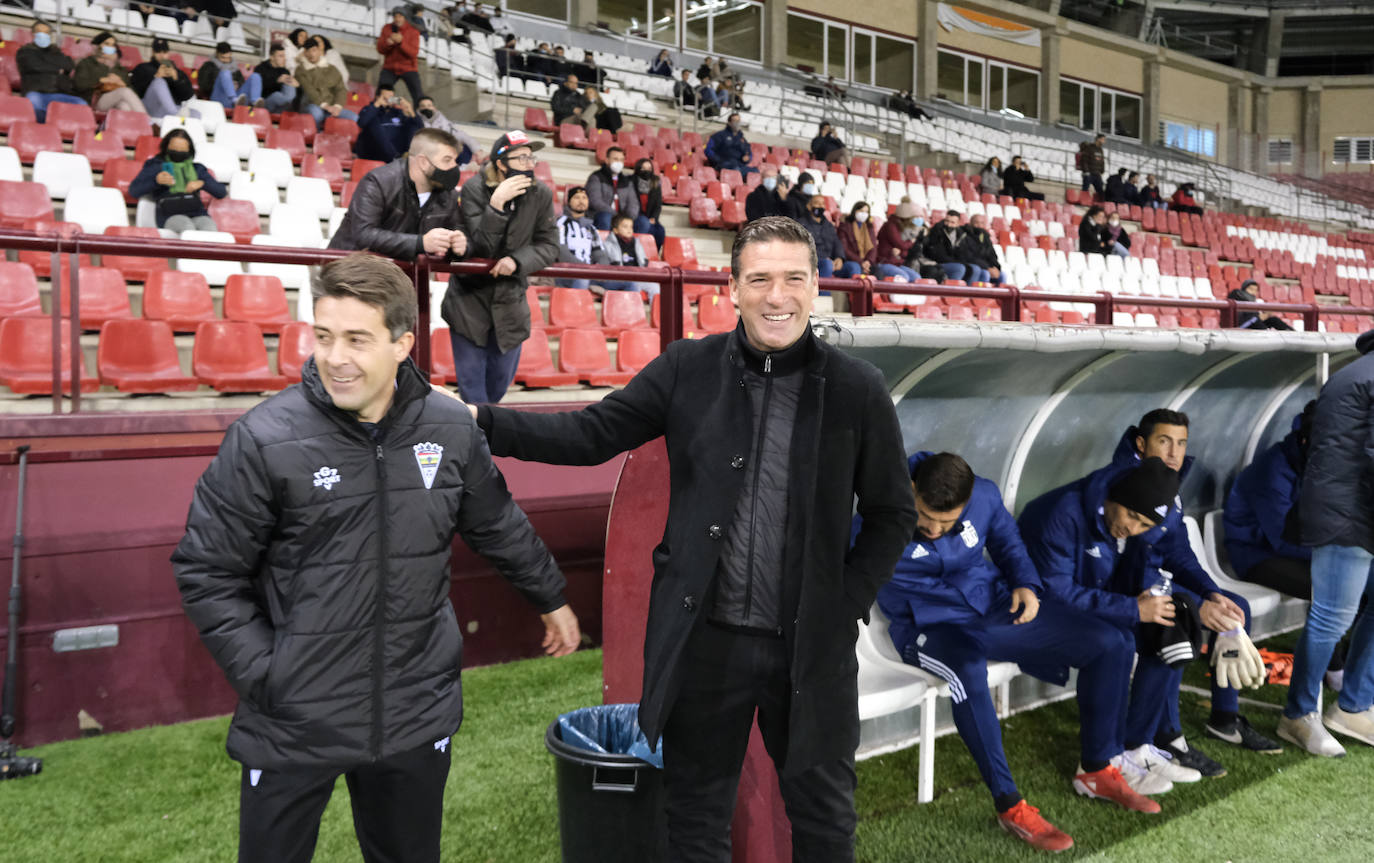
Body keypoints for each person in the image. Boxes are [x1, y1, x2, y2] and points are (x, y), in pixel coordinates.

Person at [445, 215, 916, 861]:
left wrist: (843, 603)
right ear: (733, 287)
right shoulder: (687, 368)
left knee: (825, 821)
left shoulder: (858, 388)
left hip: (811, 648)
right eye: (760, 279)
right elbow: (590, 435)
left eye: (793, 279)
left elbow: (894, 513)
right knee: (694, 820)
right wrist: (480, 419)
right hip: (706, 643)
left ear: (816, 287)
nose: (777, 295)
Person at [172, 251, 580, 863]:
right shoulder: (263, 438)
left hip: (415, 710)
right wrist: (268, 674)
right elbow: (207, 570)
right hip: (293, 717)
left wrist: (550, 597)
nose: (336, 358)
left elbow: (497, 523)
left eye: (358, 340)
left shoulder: (449, 427)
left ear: (402, 344)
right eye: (325, 336)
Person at [871, 452, 1148, 849]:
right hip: (928, 624)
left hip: (990, 607)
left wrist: (1025, 584)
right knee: (967, 668)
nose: (932, 529)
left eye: (946, 523)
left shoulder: (983, 494)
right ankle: (1010, 805)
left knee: (1111, 641)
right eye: (924, 516)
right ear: (912, 490)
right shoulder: (877, 512)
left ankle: (1098, 768)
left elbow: (1007, 540)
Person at [1084, 411, 1280, 778]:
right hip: (1123, 587)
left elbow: (1177, 551)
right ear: (1142, 445)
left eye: (1181, 442)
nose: (1174, 451)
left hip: (1155, 578)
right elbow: (1131, 563)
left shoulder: (1167, 481)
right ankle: (1168, 737)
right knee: (1179, 620)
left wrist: (1210, 591)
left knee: (1233, 608)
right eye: (1164, 441)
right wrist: (1194, 602)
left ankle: (1225, 717)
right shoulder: (1127, 482)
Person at [1017, 457, 1192, 802]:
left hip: (1092, 605)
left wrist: (1154, 596)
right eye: (1131, 517)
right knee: (1118, 641)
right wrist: (1131, 608)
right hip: (1042, 613)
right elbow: (1055, 593)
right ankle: (1100, 762)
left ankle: (1134, 747)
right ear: (1114, 498)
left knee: (1171, 625)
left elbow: (1145, 565)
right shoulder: (1062, 514)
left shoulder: (1132, 516)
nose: (1134, 528)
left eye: (1144, 524)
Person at [1277, 330, 1374, 757]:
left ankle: (1354, 706)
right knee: (1332, 617)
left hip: (1357, 506)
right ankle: (1298, 714)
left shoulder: (1356, 372)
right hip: (1346, 513)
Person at [444, 130, 557, 405]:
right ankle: (477, 444)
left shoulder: (541, 193)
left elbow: (549, 245)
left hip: (511, 301)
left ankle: (479, 431)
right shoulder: (474, 189)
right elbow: (480, 248)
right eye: (521, 159)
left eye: (532, 158)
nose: (530, 165)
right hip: (469, 302)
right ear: (501, 164)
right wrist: (496, 205)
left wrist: (517, 261)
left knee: (497, 388)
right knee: (473, 391)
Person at [328, 127, 468, 261]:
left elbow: (460, 231)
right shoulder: (378, 182)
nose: (454, 167)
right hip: (349, 272)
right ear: (423, 162)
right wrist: (420, 243)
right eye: (447, 160)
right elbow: (364, 234)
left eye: (455, 161)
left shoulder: (449, 195)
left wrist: (461, 244)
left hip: (399, 276)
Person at [1225, 404, 1317, 599]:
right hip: (1258, 555)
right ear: (1305, 440)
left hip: (1300, 549)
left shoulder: (1310, 462)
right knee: (1338, 588)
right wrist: (1336, 552)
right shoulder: (1271, 472)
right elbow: (1282, 539)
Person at [128, 128, 228, 235]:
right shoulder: (156, 166)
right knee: (187, 227)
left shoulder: (197, 169)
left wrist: (202, 183)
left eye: (182, 150)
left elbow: (221, 192)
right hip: (169, 215)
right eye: (175, 149)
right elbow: (134, 191)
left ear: (189, 151)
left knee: (210, 228)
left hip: (197, 213)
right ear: (166, 147)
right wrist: (156, 181)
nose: (178, 153)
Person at [16, 21, 86, 122]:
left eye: (46, 33)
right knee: (34, 103)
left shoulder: (56, 51)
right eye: (39, 32)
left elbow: (68, 65)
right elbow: (35, 66)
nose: (43, 35)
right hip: (37, 92)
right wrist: (58, 69)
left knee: (81, 104)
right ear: (33, 34)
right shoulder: (25, 51)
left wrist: (48, 66)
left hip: (59, 93)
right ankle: (42, 129)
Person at [296, 37, 358, 130]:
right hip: (311, 105)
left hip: (331, 107)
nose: (311, 54)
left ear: (319, 51)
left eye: (314, 50)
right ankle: (316, 137)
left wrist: (337, 106)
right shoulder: (301, 70)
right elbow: (310, 91)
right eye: (308, 51)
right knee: (317, 114)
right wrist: (326, 106)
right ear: (305, 53)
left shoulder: (332, 69)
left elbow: (341, 89)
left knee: (354, 117)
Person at [840, 202, 912, 281]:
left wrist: (868, 262)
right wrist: (861, 262)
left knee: (878, 272)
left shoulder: (869, 228)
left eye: (866, 212)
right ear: (854, 211)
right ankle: (855, 292)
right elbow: (845, 249)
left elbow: (873, 248)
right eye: (861, 211)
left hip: (868, 262)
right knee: (855, 268)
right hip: (850, 261)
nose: (863, 214)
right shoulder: (845, 226)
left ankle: (875, 293)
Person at [354, 84, 423, 163]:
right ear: (377, 97)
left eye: (391, 98)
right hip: (374, 152)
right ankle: (395, 158)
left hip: (398, 151)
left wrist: (410, 111)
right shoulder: (369, 109)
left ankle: (409, 156)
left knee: (412, 124)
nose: (388, 100)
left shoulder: (398, 112)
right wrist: (377, 104)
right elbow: (361, 123)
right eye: (384, 97)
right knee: (373, 121)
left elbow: (420, 128)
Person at [131, 38, 194, 120]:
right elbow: (135, 92)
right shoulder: (143, 68)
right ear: (153, 53)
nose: (161, 55)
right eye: (158, 52)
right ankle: (175, 115)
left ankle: (176, 116)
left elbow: (187, 96)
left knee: (196, 114)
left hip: (170, 110)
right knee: (159, 82)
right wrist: (155, 76)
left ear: (168, 53)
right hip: (150, 109)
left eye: (164, 52)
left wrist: (177, 79)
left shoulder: (177, 72)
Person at [584, 147, 641, 232]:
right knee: (605, 217)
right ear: (607, 160)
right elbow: (595, 201)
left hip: (622, 218)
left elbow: (634, 204)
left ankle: (633, 244)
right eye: (615, 159)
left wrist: (628, 218)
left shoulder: (627, 181)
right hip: (601, 215)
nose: (619, 162)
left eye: (621, 160)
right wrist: (616, 215)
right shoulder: (596, 177)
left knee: (643, 222)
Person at [800, 196, 857, 279]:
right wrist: (824, 259)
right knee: (827, 264)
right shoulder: (801, 224)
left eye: (823, 204)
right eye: (817, 203)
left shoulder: (828, 225)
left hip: (830, 263)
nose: (820, 206)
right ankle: (822, 292)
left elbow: (836, 242)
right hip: (812, 263)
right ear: (809, 206)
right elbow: (802, 247)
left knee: (854, 266)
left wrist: (839, 258)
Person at [416, 96, 484, 165]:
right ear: (418, 109)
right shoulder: (416, 123)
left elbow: (462, 135)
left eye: (429, 105)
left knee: (464, 147)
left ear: (434, 108)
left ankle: (465, 168)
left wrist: (477, 150)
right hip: (430, 153)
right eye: (423, 106)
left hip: (448, 151)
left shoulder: (445, 122)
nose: (426, 108)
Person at [377, 6, 424, 104]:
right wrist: (388, 44)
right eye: (395, 16)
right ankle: (383, 111)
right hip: (390, 68)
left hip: (409, 68)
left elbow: (413, 53)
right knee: (380, 94)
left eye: (400, 16)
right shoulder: (387, 28)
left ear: (405, 17)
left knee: (419, 97)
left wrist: (401, 42)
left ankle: (417, 115)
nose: (397, 19)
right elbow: (380, 49)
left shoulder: (413, 31)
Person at [198, 41, 263, 109]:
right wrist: (225, 85)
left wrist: (236, 85)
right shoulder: (208, 66)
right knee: (225, 73)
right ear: (217, 54)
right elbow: (203, 86)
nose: (226, 60)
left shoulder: (235, 67)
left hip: (238, 98)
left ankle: (255, 102)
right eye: (223, 57)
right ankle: (234, 99)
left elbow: (242, 82)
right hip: (219, 97)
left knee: (256, 76)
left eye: (228, 58)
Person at [606, 213, 658, 296]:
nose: (629, 229)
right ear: (615, 230)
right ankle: (633, 308)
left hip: (637, 276)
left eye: (631, 227)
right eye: (625, 227)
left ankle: (656, 309)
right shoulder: (608, 245)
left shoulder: (637, 243)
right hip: (619, 278)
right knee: (634, 285)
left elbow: (643, 261)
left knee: (655, 287)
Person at [876, 199, 924, 279]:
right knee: (903, 277)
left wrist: (901, 251)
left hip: (896, 263)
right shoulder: (890, 226)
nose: (917, 219)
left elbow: (903, 251)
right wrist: (911, 242)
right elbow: (901, 244)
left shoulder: (901, 226)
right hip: (884, 262)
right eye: (915, 217)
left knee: (916, 278)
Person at [252, 42, 299, 114]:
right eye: (281, 56)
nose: (284, 59)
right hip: (263, 103)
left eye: (284, 56)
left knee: (290, 85)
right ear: (272, 57)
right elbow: (259, 87)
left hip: (280, 107)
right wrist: (277, 80)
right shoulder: (261, 68)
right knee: (277, 95)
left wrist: (297, 85)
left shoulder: (285, 71)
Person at [1226, 279, 1292, 330]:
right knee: (1256, 322)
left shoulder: (1253, 301)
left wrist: (1266, 315)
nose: (1253, 292)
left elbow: (1255, 317)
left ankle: (1292, 335)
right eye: (1251, 289)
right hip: (1239, 326)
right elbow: (1250, 319)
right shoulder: (1237, 295)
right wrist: (1264, 315)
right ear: (1244, 289)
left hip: (1251, 323)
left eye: (1255, 290)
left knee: (1273, 320)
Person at [630, 158, 666, 251]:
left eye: (649, 169)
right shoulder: (630, 181)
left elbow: (658, 204)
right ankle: (637, 252)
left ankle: (654, 254)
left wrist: (654, 218)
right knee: (644, 223)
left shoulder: (655, 182)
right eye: (643, 168)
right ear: (638, 169)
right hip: (635, 216)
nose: (647, 171)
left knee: (660, 230)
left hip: (650, 217)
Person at [704, 113, 755, 178]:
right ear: (729, 123)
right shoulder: (719, 135)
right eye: (735, 121)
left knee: (755, 172)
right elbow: (708, 150)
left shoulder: (742, 139)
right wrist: (719, 160)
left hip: (739, 165)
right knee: (736, 170)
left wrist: (747, 158)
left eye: (738, 121)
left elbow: (748, 153)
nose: (737, 123)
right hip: (724, 165)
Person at [925, 210, 969, 283]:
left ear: (958, 223)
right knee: (959, 268)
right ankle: (952, 292)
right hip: (936, 263)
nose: (949, 225)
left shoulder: (961, 235)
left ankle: (968, 294)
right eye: (947, 221)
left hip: (953, 262)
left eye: (952, 222)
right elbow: (937, 254)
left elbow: (963, 253)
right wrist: (957, 262)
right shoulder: (937, 231)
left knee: (975, 269)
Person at [961, 214, 1004, 285]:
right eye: (976, 222)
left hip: (985, 267)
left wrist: (996, 268)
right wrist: (987, 268)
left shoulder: (985, 237)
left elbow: (992, 255)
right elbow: (969, 257)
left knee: (1002, 275)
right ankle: (978, 295)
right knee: (985, 274)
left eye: (982, 223)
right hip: (972, 265)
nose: (979, 225)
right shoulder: (965, 235)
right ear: (971, 223)